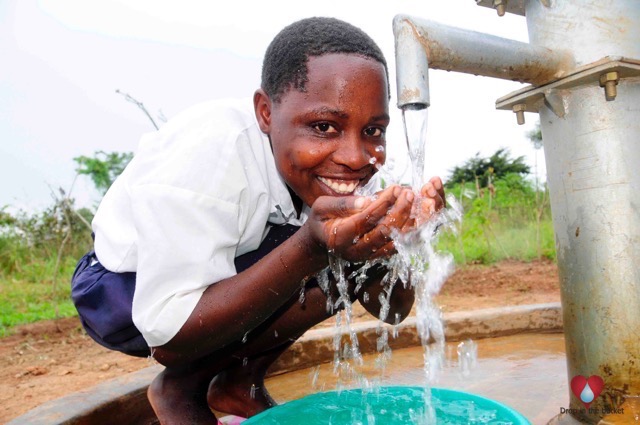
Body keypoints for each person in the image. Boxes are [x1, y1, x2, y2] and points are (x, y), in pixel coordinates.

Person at [71, 16, 445, 424]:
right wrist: (310, 248)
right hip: (124, 290)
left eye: (373, 130)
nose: (355, 157)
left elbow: (391, 310)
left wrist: (397, 241)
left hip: (230, 270)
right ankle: (180, 392)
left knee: (346, 256)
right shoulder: (211, 157)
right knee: (321, 253)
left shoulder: (347, 176)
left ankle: (238, 384)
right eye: (324, 126)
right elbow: (168, 340)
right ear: (266, 112)